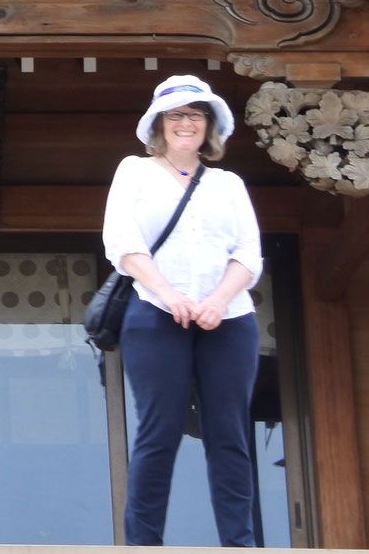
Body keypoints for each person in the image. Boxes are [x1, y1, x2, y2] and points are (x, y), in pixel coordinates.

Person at [102, 74, 264, 547]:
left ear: (209, 126)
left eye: (195, 114)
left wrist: (216, 301)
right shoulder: (134, 171)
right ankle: (143, 543)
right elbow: (122, 243)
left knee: (228, 434)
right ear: (159, 124)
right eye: (176, 115)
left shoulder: (228, 183)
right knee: (160, 432)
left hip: (229, 319)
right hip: (156, 313)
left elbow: (248, 254)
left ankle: (240, 542)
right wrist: (170, 295)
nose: (186, 123)